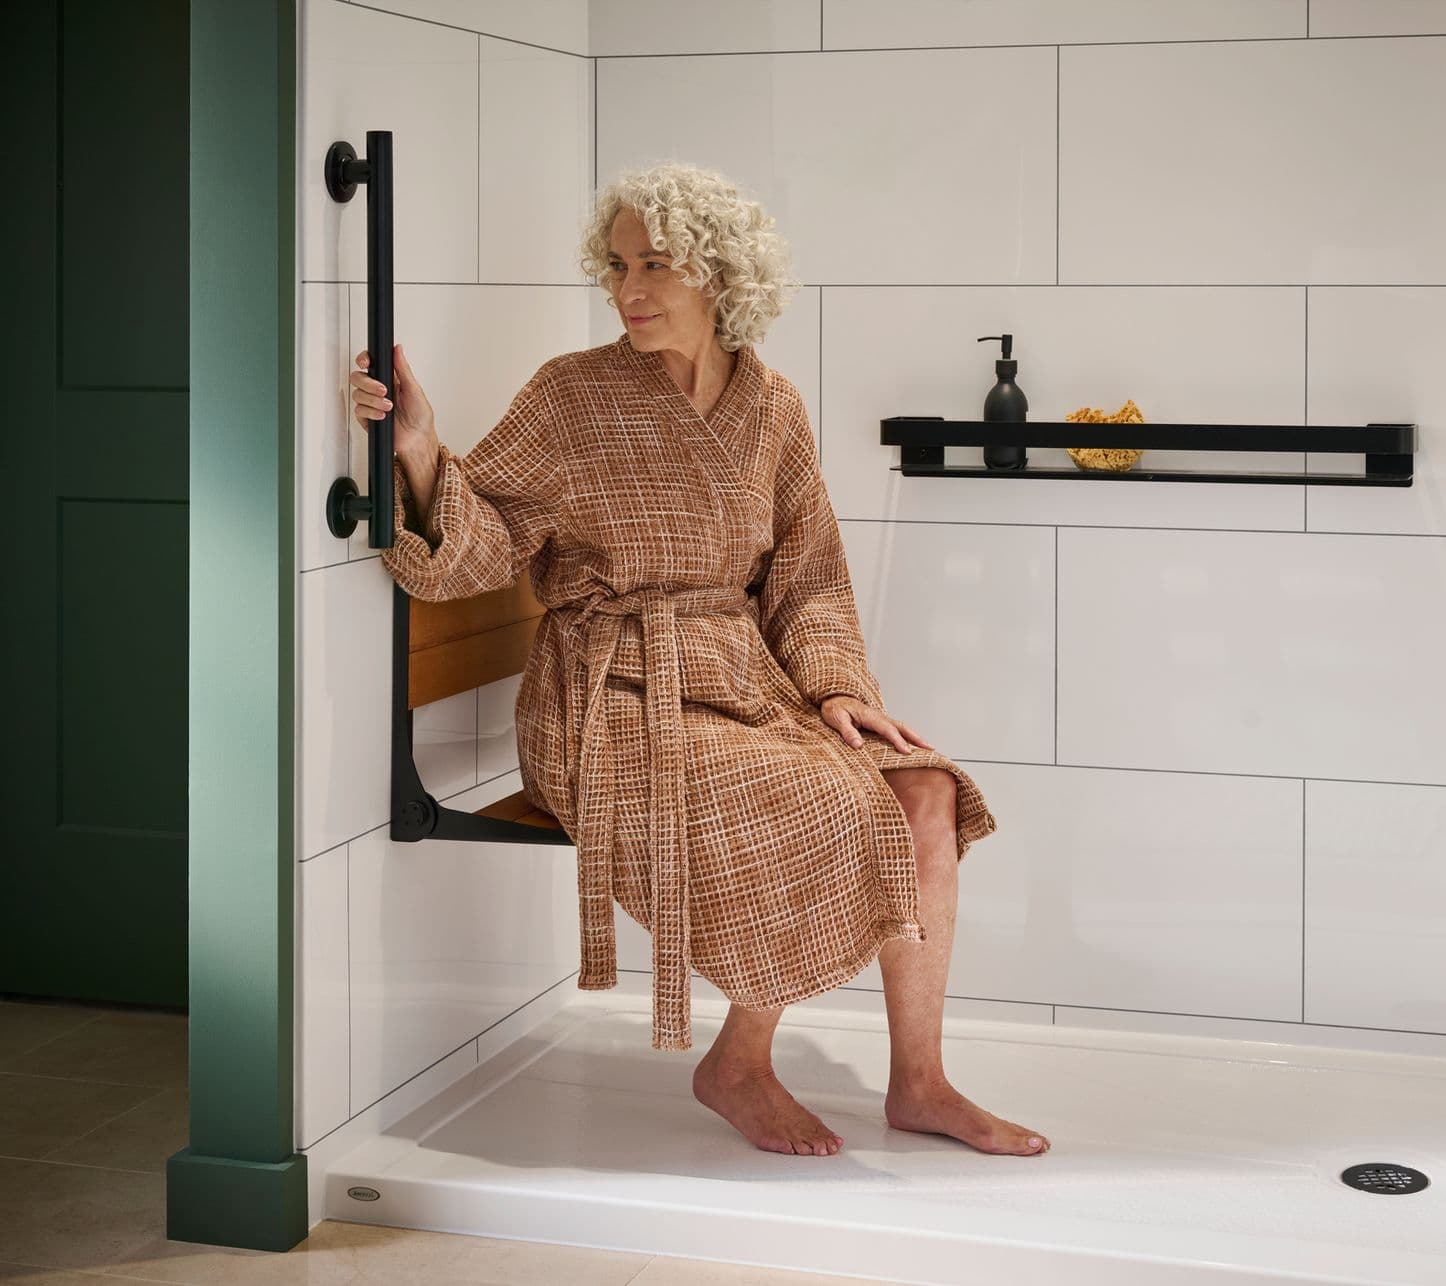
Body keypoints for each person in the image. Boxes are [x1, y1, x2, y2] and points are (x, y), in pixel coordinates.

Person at [347, 162, 1048, 1159]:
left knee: (925, 787)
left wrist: (841, 687)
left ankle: (922, 1081)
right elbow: (483, 542)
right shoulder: (572, 396)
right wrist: (417, 448)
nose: (630, 288)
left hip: (741, 686)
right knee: (816, 797)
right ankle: (739, 1065)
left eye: (658, 264)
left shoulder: (774, 408)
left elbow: (808, 580)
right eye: (620, 264)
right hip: (603, 694)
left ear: (720, 274)